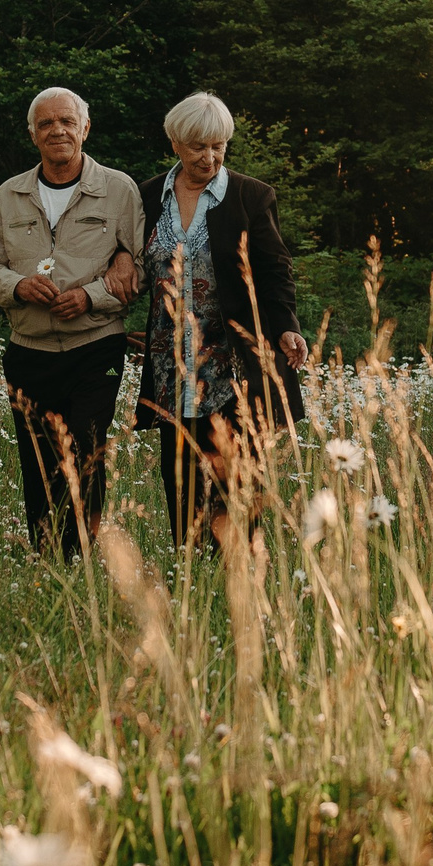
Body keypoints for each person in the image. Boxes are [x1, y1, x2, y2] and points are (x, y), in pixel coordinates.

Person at [0, 87, 143, 559]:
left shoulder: (119, 189)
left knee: (87, 452)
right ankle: (48, 555)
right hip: (28, 349)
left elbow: (142, 270)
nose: (58, 131)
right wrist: (19, 286)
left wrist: (90, 298)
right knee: (38, 458)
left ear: (85, 129)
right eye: (46, 124)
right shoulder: (9, 195)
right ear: (33, 135)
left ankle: (85, 554)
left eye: (67, 121)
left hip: (98, 348)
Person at [133, 91, 308, 549]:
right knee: (182, 470)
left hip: (233, 362)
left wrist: (287, 323)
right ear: (175, 143)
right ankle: (188, 567)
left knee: (237, 474)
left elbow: (274, 268)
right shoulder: (148, 195)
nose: (209, 157)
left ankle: (240, 570)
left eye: (218, 146)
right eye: (198, 147)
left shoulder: (251, 196)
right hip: (171, 361)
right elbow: (130, 256)